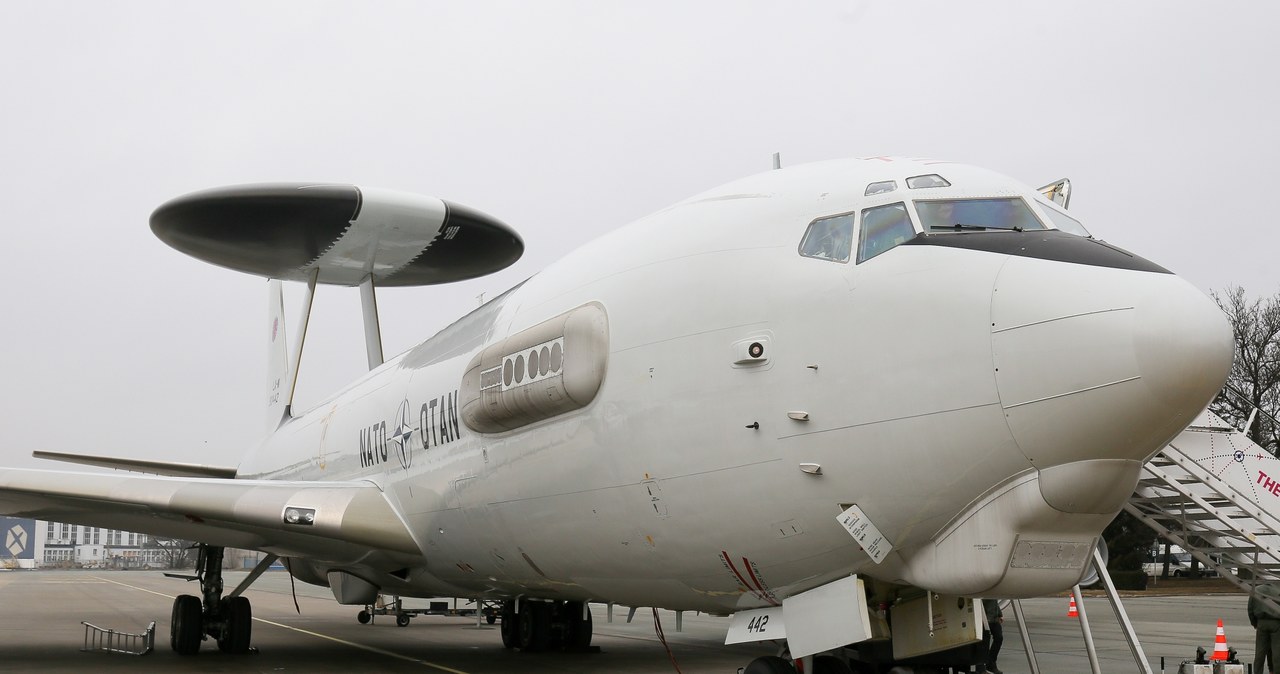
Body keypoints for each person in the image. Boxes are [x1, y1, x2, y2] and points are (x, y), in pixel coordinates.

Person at [1250, 582, 1280, 674]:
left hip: (1261, 622)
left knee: (1260, 653)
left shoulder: (1256, 590)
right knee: (1277, 652)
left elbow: (1250, 608)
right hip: (1276, 622)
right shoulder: (1277, 590)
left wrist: (1254, 623)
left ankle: (1257, 671)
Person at [982, 598, 1004, 674]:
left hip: (994, 618)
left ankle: (991, 663)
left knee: (999, 638)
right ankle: (981, 668)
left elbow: (994, 601)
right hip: (985, 619)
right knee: (984, 643)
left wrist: (999, 614)